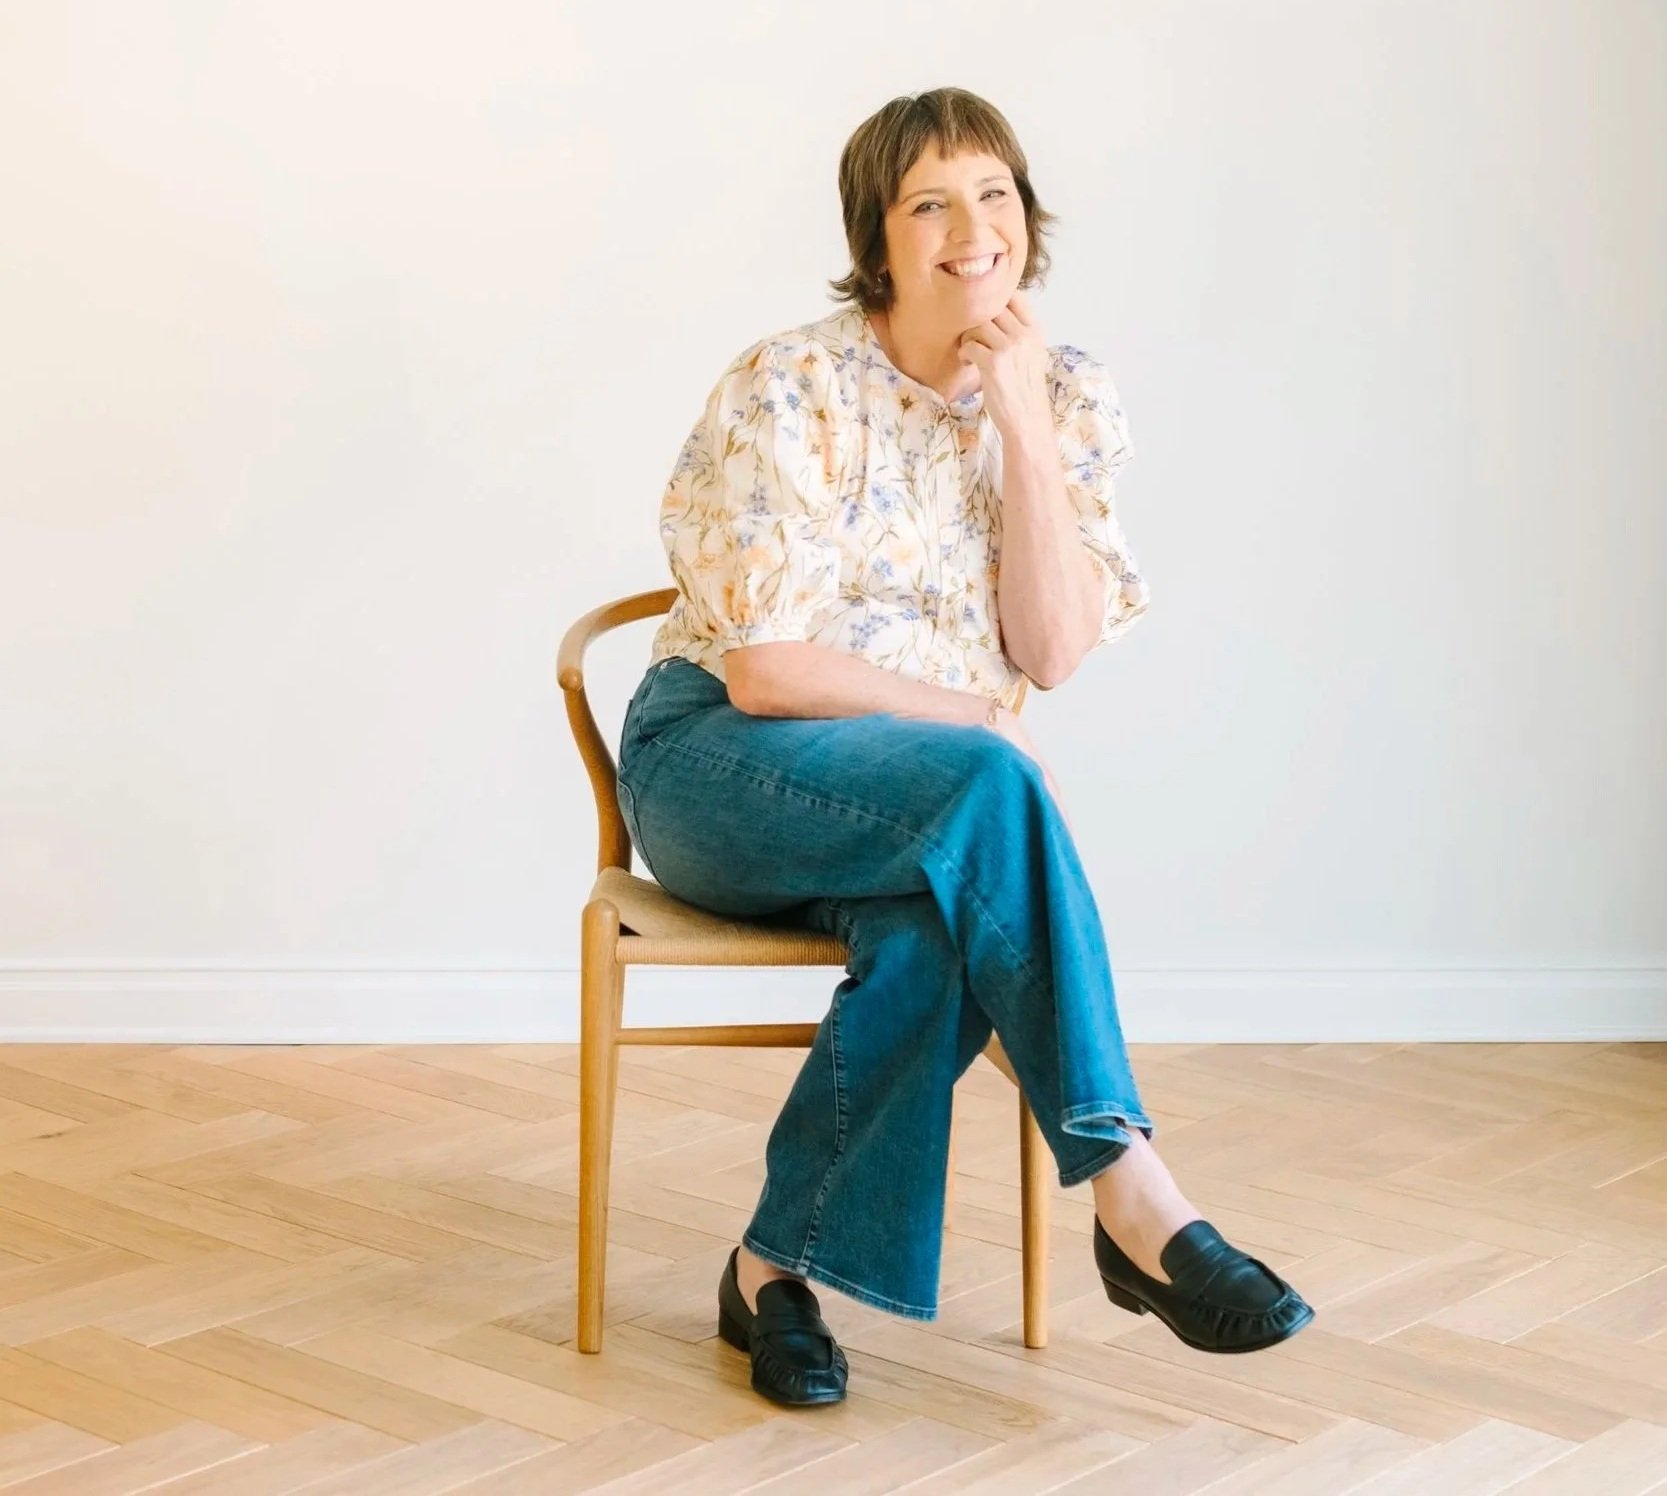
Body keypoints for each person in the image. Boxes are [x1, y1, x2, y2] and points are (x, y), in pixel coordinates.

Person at [614, 86, 1313, 1408]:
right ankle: (1135, 1194)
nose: (969, 227)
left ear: (1027, 221)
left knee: (938, 931)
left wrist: (1029, 435)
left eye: (993, 193)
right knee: (989, 783)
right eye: (928, 201)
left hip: (920, 803)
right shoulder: (794, 382)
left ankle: (773, 1272)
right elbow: (764, 673)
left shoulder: (1066, 396)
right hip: (718, 768)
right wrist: (979, 728)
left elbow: (1052, 650)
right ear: (877, 239)